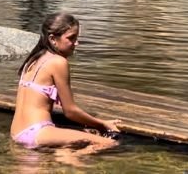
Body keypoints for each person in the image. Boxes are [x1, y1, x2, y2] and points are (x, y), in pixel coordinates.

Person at [10, 13, 120, 153]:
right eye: (71, 38)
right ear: (52, 39)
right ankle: (70, 156)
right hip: (37, 132)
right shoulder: (58, 62)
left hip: (17, 132)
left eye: (77, 38)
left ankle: (65, 155)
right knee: (108, 143)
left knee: (74, 143)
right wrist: (103, 124)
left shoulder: (32, 60)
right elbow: (70, 111)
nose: (76, 43)